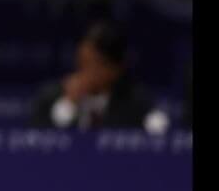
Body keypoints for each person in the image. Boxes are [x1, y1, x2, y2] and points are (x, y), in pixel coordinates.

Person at [29, 21, 160, 131]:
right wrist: (67, 105)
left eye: (91, 64)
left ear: (115, 69)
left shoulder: (136, 104)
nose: (83, 72)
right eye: (80, 63)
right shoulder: (51, 98)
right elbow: (39, 150)